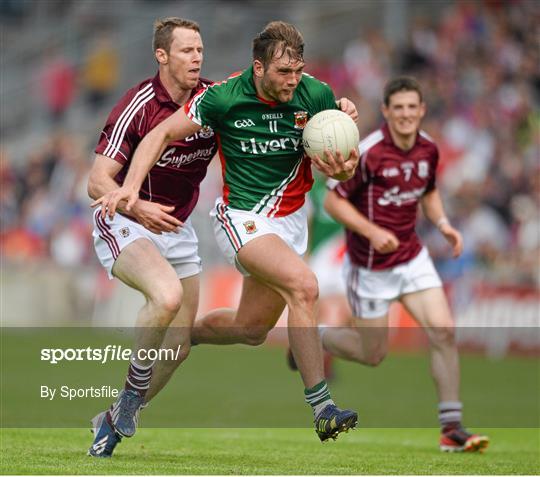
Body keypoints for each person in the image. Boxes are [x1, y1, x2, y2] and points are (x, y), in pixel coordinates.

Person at [93, 21, 360, 442]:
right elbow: (160, 134)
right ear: (258, 68)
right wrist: (129, 192)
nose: (293, 82)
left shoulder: (318, 94)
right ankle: (322, 406)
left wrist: (344, 163)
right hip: (241, 219)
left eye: (298, 72)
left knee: (251, 329)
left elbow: (344, 161)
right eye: (283, 74)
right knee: (304, 287)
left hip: (289, 223)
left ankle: (186, 337)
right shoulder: (223, 98)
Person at [321, 76, 490, 452]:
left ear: (422, 110)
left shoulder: (428, 149)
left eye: (412, 107)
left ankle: (452, 428)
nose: (406, 114)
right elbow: (333, 201)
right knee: (374, 354)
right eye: (398, 108)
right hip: (369, 267)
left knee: (444, 331)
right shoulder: (369, 151)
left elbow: (428, 193)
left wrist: (444, 224)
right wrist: (371, 231)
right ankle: (314, 338)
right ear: (386, 111)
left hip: (413, 258)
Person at [86, 17, 217, 458]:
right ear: (162, 56)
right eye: (186, 51)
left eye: (199, 49)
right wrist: (136, 204)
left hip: (176, 229)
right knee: (165, 298)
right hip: (126, 220)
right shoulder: (138, 103)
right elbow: (97, 180)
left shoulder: (213, 100)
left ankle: (112, 417)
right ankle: (128, 403)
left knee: (179, 347)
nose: (196, 57)